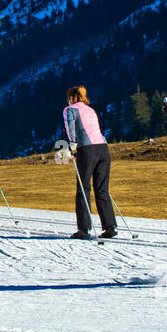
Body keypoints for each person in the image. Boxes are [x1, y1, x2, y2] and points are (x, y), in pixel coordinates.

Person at [62, 86, 117, 239]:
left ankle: (84, 229)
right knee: (102, 189)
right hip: (103, 149)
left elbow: (70, 127)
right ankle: (110, 226)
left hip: (87, 150)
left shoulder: (70, 109)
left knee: (83, 188)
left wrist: (72, 144)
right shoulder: (90, 110)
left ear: (72, 97)